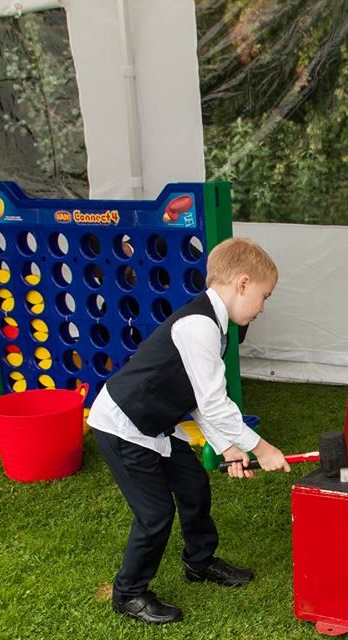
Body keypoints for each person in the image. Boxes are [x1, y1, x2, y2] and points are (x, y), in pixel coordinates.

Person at [87, 236, 291, 625]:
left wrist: (228, 447)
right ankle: (128, 593)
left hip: (156, 423)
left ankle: (199, 563)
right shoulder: (199, 325)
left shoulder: (213, 323)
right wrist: (260, 447)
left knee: (194, 486)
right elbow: (214, 402)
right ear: (242, 283)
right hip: (123, 426)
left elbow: (198, 398)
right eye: (264, 296)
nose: (264, 306)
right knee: (155, 512)